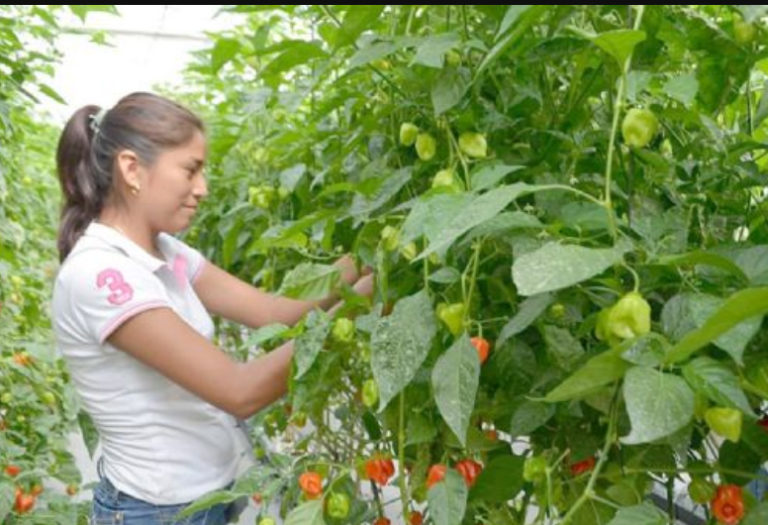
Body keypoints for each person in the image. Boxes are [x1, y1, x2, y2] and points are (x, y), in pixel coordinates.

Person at [51, 92, 374, 524]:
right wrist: (359, 306)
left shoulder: (165, 250)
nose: (202, 188)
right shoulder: (101, 275)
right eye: (190, 169)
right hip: (155, 511)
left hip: (204, 497)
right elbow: (239, 391)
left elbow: (274, 312)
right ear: (131, 169)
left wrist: (369, 253)